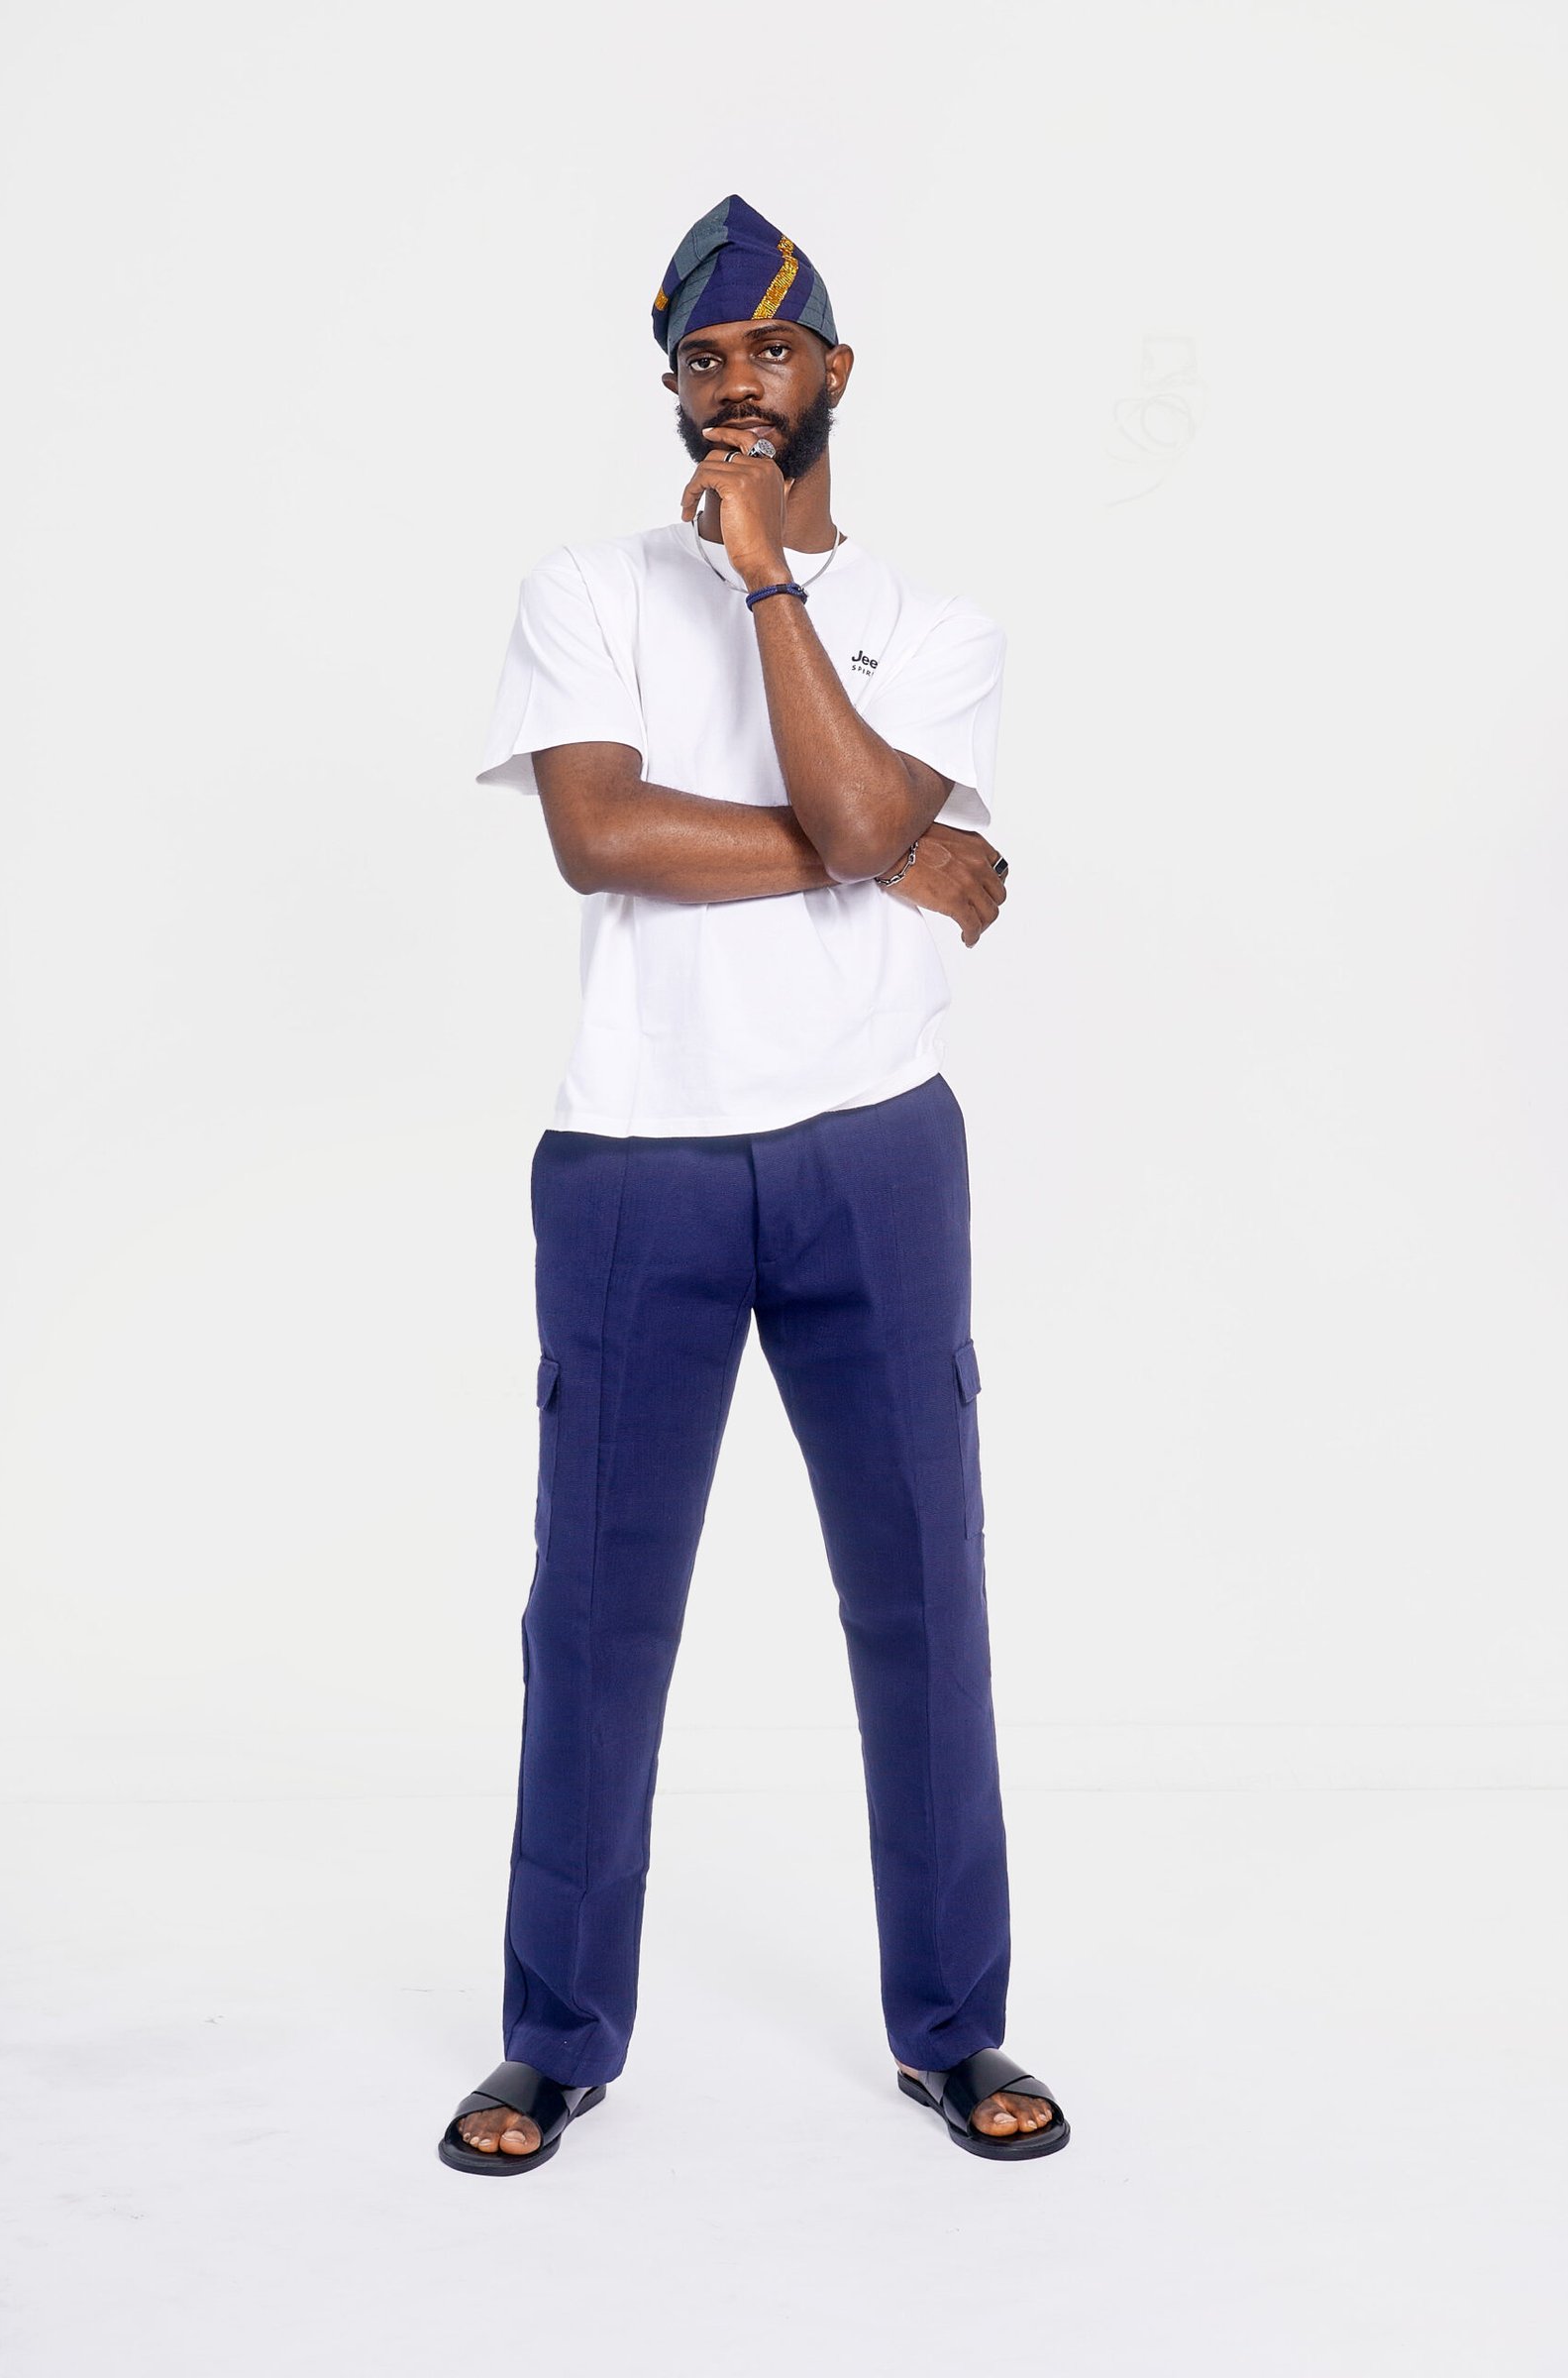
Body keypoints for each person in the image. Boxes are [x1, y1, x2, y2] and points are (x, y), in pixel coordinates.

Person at [438, 194, 1069, 2174]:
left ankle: (952, 2027)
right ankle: (554, 2039)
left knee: (922, 1601)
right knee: (596, 1618)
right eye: (699, 359)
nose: (732, 383)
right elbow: (602, 838)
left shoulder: (937, 627)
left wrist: (768, 586)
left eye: (766, 351)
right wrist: (880, 848)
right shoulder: (586, 590)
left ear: (832, 372)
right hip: (635, 1156)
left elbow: (863, 800)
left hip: (874, 1150)